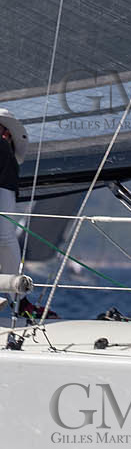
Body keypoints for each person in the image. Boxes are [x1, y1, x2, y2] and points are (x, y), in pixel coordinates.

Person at [0, 109, 58, 320]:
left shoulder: (4, 153)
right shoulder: (6, 153)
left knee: (5, 238)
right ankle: (19, 301)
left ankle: (19, 301)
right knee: (6, 239)